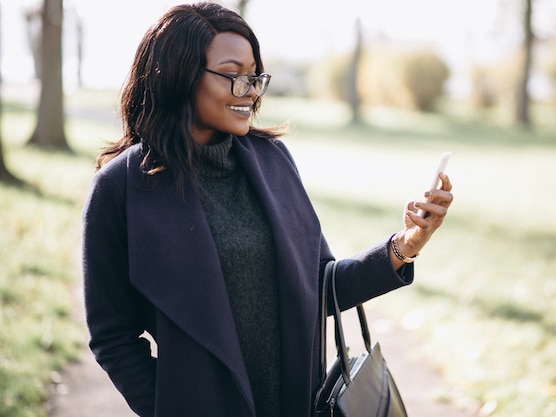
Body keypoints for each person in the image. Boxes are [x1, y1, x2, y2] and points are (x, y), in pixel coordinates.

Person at [81, 2, 453, 417]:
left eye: (254, 75)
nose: (251, 90)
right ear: (180, 74)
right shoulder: (121, 189)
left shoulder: (273, 161)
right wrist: (169, 405)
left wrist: (407, 243)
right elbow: (112, 334)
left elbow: (320, 287)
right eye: (234, 75)